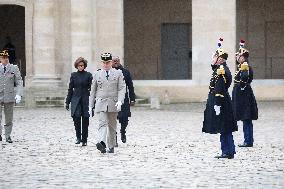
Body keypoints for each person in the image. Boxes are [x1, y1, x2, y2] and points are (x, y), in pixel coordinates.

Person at [202, 38, 238, 159]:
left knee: (224, 128)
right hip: (223, 102)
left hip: (221, 102)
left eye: (215, 57)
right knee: (225, 128)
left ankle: (227, 151)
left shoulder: (221, 71)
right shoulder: (219, 69)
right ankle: (229, 151)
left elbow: (219, 89)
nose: (213, 58)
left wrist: (217, 104)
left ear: (220, 59)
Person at [89, 53, 126, 153]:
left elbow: (122, 88)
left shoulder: (118, 73)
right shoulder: (97, 74)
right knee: (102, 123)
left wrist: (120, 101)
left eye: (108, 62)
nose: (106, 65)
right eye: (104, 62)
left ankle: (111, 145)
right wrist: (90, 106)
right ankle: (102, 143)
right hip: (101, 103)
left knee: (112, 126)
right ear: (102, 63)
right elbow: (93, 91)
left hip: (113, 103)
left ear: (111, 62)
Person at [232, 40, 258, 147]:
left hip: (244, 95)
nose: (237, 57)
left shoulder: (244, 66)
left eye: (238, 56)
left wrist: (241, 87)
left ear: (243, 57)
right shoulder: (242, 66)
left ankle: (248, 141)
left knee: (246, 118)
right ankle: (248, 140)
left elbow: (244, 78)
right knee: (245, 118)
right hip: (243, 94)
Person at [65, 57, 93, 146]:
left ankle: (84, 139)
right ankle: (78, 137)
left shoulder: (88, 75)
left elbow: (92, 88)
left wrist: (93, 101)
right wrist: (67, 101)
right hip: (76, 99)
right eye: (79, 65)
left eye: (82, 65)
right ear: (76, 66)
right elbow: (70, 89)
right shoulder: (73, 75)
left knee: (85, 120)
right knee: (76, 119)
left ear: (84, 66)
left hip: (85, 99)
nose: (81, 67)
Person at [0, 50, 23, 143]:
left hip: (9, 96)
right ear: (0, 59)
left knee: (9, 118)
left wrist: (18, 94)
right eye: (3, 58)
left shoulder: (14, 68)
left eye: (6, 57)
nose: (5, 59)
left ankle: (8, 135)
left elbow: (19, 81)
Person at [112, 56, 135, 144]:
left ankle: (123, 132)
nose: (116, 62)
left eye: (117, 61)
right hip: (113, 98)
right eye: (114, 61)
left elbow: (130, 86)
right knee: (112, 118)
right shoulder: (109, 72)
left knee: (124, 118)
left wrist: (132, 99)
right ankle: (114, 138)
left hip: (123, 99)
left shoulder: (125, 72)